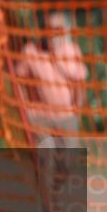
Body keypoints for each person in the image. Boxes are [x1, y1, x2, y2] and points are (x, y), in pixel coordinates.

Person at [12, 11, 88, 186]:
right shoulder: (30, 51)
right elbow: (18, 81)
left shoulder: (72, 51)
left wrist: (77, 109)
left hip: (66, 117)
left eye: (57, 29)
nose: (52, 33)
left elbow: (80, 82)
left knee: (66, 165)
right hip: (40, 117)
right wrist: (24, 107)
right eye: (48, 28)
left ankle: (54, 194)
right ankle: (47, 207)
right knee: (46, 160)